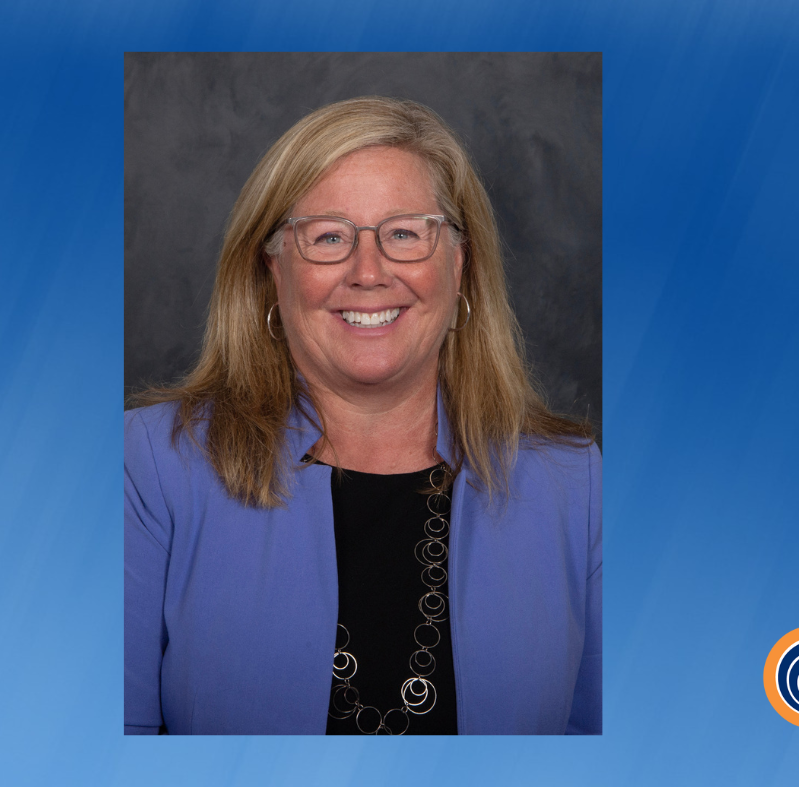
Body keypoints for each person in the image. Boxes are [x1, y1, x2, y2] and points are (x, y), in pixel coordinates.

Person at [125, 96, 601, 735]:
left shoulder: (578, 487)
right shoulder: (152, 467)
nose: (369, 272)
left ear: (459, 265)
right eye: (328, 237)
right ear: (273, 271)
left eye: (405, 232)